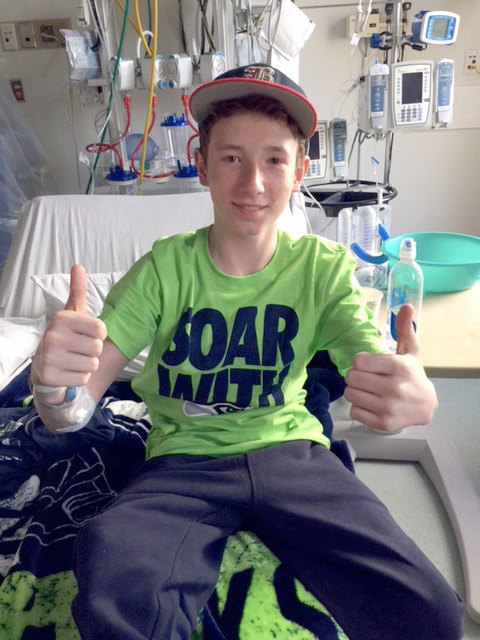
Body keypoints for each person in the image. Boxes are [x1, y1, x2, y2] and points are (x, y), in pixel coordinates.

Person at [30, 64, 464, 640]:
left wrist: (413, 395)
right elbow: (75, 403)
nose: (253, 183)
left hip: (291, 454)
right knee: (118, 587)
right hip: (181, 462)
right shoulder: (163, 271)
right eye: (232, 157)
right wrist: (53, 389)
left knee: (429, 608)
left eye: (274, 160)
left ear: (300, 170)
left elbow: (375, 363)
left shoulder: (324, 271)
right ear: (203, 165)